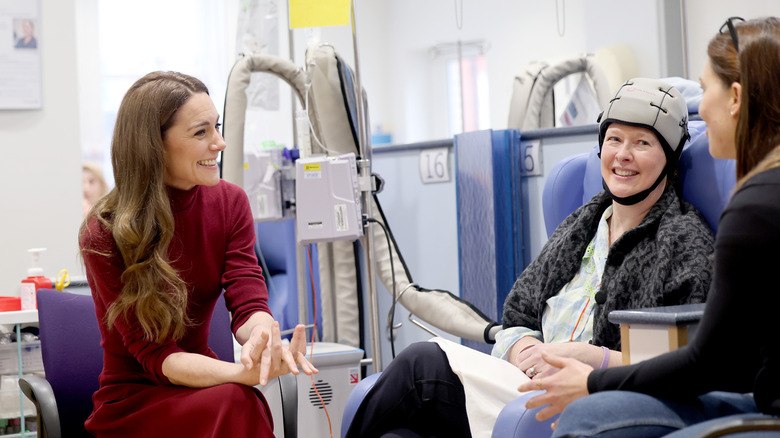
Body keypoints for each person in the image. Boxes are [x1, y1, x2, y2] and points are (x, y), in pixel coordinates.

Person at [345, 77, 715, 438]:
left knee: (422, 366)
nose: (622, 155)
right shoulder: (580, 226)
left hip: (590, 396)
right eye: (614, 139)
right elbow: (516, 318)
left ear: (669, 157)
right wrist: (523, 349)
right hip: (523, 383)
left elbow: (683, 362)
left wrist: (594, 359)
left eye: (642, 142)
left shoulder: (683, 241)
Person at [520, 16, 780, 438]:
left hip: (761, 407)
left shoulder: (751, 209)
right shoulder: (579, 224)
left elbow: (710, 363)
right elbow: (519, 309)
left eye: (704, 89)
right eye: (614, 140)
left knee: (587, 417)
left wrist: (593, 376)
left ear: (734, 97)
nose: (702, 111)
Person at [79, 71, 316, 437]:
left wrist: (262, 336)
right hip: (134, 403)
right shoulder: (105, 231)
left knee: (240, 401)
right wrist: (241, 373)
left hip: (201, 386)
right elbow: (160, 358)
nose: (219, 143)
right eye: (200, 132)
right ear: (154, 145)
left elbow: (247, 297)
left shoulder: (230, 202)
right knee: (239, 400)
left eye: (216, 127)